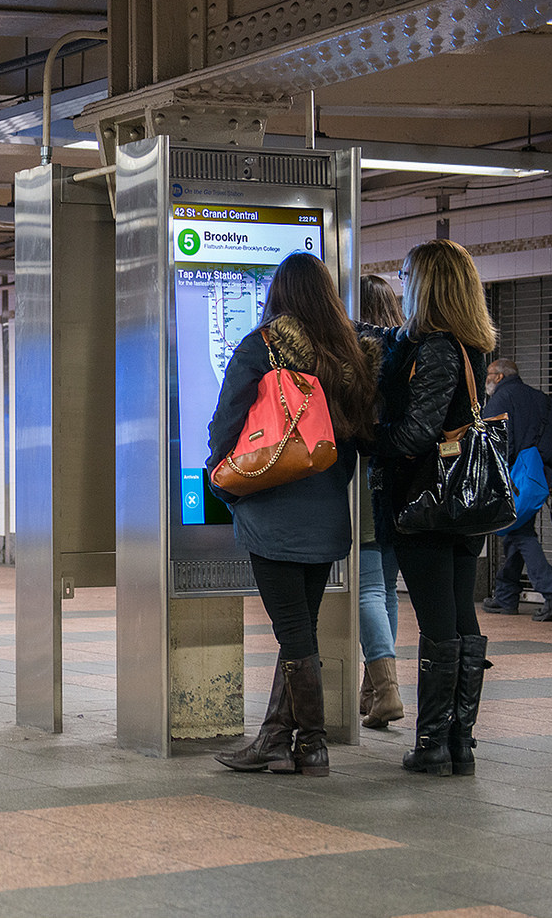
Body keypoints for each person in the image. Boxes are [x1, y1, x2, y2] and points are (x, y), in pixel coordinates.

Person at [208, 253, 379, 778]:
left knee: (294, 632)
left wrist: (224, 482)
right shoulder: (349, 354)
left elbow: (225, 424)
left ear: (278, 294)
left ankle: (314, 744)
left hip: (273, 512)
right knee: (298, 627)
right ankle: (275, 740)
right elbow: (360, 438)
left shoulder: (261, 348)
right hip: (327, 514)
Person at [363, 238, 498, 777]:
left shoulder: (438, 348)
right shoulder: (468, 344)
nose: (401, 282)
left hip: (427, 503)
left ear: (428, 283)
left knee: (439, 622)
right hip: (464, 503)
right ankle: (459, 744)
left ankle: (433, 744)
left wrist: (368, 439)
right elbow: (390, 338)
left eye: (405, 274)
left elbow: (418, 432)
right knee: (460, 616)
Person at [481, 358, 552, 622]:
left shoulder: (500, 401)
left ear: (499, 376)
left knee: (520, 532)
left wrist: (489, 481)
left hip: (513, 478)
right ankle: (506, 595)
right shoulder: (546, 402)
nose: (486, 380)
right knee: (518, 529)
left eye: (489, 374)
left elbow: (491, 443)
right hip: (540, 480)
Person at [355, 275, 404, 729]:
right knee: (386, 588)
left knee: (367, 589)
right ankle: (372, 690)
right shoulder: (406, 348)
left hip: (366, 479)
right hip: (400, 483)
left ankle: (387, 691)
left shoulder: (358, 352)